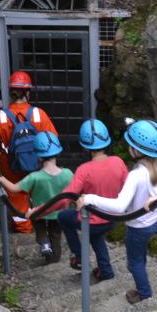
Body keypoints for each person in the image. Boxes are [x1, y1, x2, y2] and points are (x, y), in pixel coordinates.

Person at [81, 119, 157, 304]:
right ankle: (140, 265)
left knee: (134, 262)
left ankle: (144, 294)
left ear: (136, 150)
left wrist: (89, 198)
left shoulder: (136, 175)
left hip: (138, 227)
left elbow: (120, 206)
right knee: (138, 255)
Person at [0, 71, 58, 234]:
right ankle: (44, 231)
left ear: (10, 92)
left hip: (12, 168)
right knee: (40, 196)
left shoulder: (0, 117)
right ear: (28, 92)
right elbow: (53, 141)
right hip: (38, 166)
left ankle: (24, 231)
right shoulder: (39, 114)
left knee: (17, 199)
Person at [55, 118, 128, 281]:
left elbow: (65, 198)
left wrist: (39, 210)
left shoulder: (84, 170)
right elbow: (128, 187)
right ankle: (106, 270)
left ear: (85, 146)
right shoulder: (118, 162)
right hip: (113, 217)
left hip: (93, 221)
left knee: (63, 217)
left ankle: (79, 256)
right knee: (96, 235)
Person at [0, 131, 72, 264]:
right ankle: (54, 260)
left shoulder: (34, 177)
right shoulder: (68, 174)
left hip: (38, 212)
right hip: (59, 213)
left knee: (40, 229)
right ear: (57, 153)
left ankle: (44, 243)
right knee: (56, 236)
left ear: (38, 156)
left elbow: (14, 188)